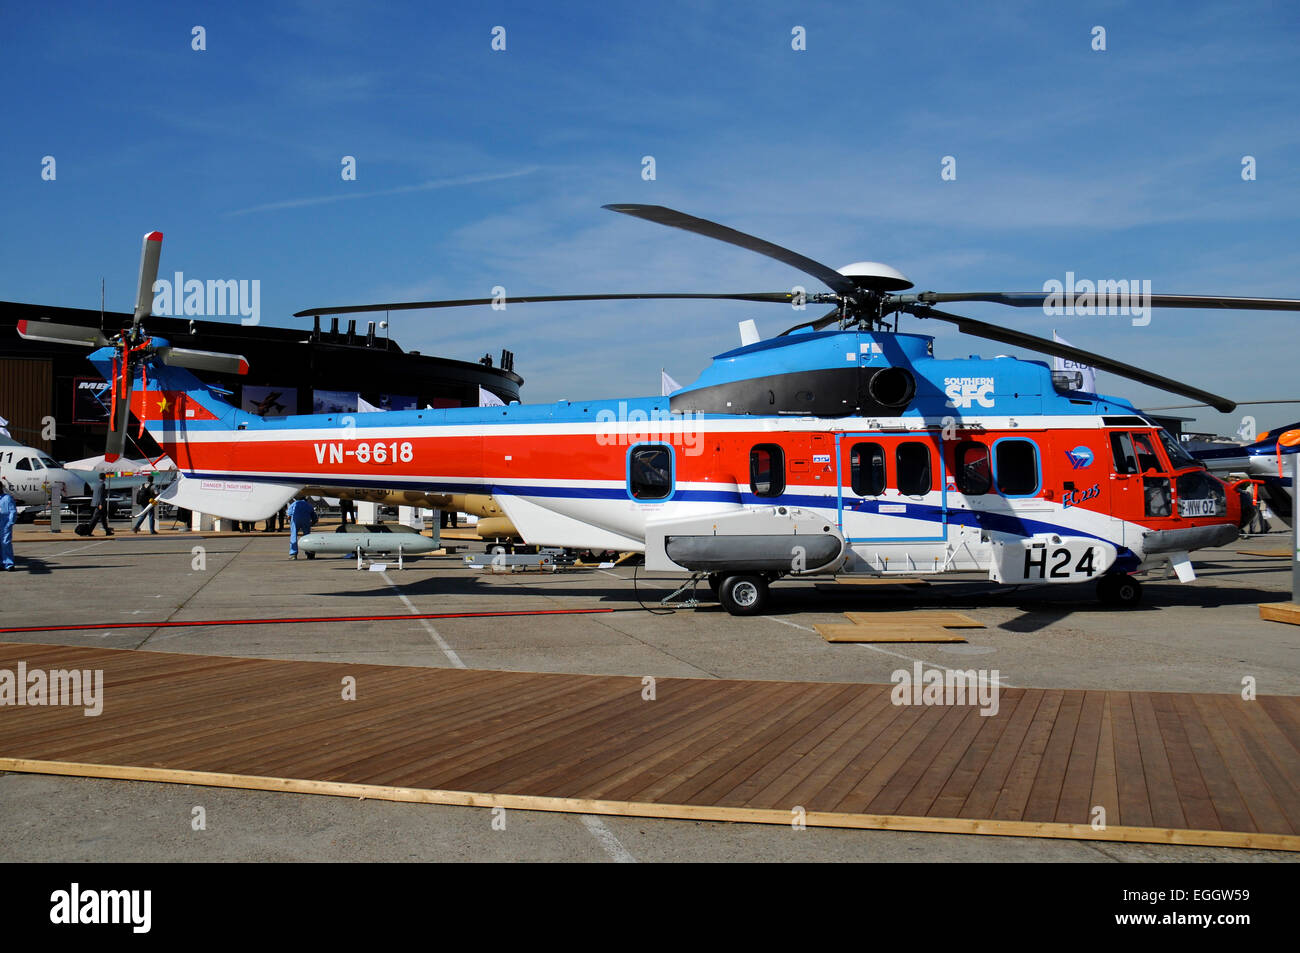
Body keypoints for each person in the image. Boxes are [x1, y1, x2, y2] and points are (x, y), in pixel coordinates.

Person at [0, 481, 16, 571]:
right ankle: (1, 563)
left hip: (5, 524)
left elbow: (12, 511)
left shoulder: (7, 498)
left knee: (5, 543)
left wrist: (10, 522)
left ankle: (8, 563)